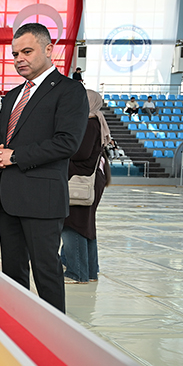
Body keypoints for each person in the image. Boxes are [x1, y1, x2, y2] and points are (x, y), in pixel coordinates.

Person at [0, 22, 88, 313]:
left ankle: (54, 332)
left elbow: (67, 143)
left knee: (46, 273)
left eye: (27, 52)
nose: (19, 59)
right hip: (8, 199)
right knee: (12, 273)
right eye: (15, 54)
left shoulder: (69, 91)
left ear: (49, 49)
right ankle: (17, 326)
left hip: (42, 200)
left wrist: (14, 157)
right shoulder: (13, 95)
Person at [62, 89, 110, 284]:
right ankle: (90, 271)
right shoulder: (96, 121)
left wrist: (59, 149)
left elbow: (80, 153)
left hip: (80, 180)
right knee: (86, 225)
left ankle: (76, 272)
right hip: (88, 180)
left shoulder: (89, 123)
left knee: (73, 225)